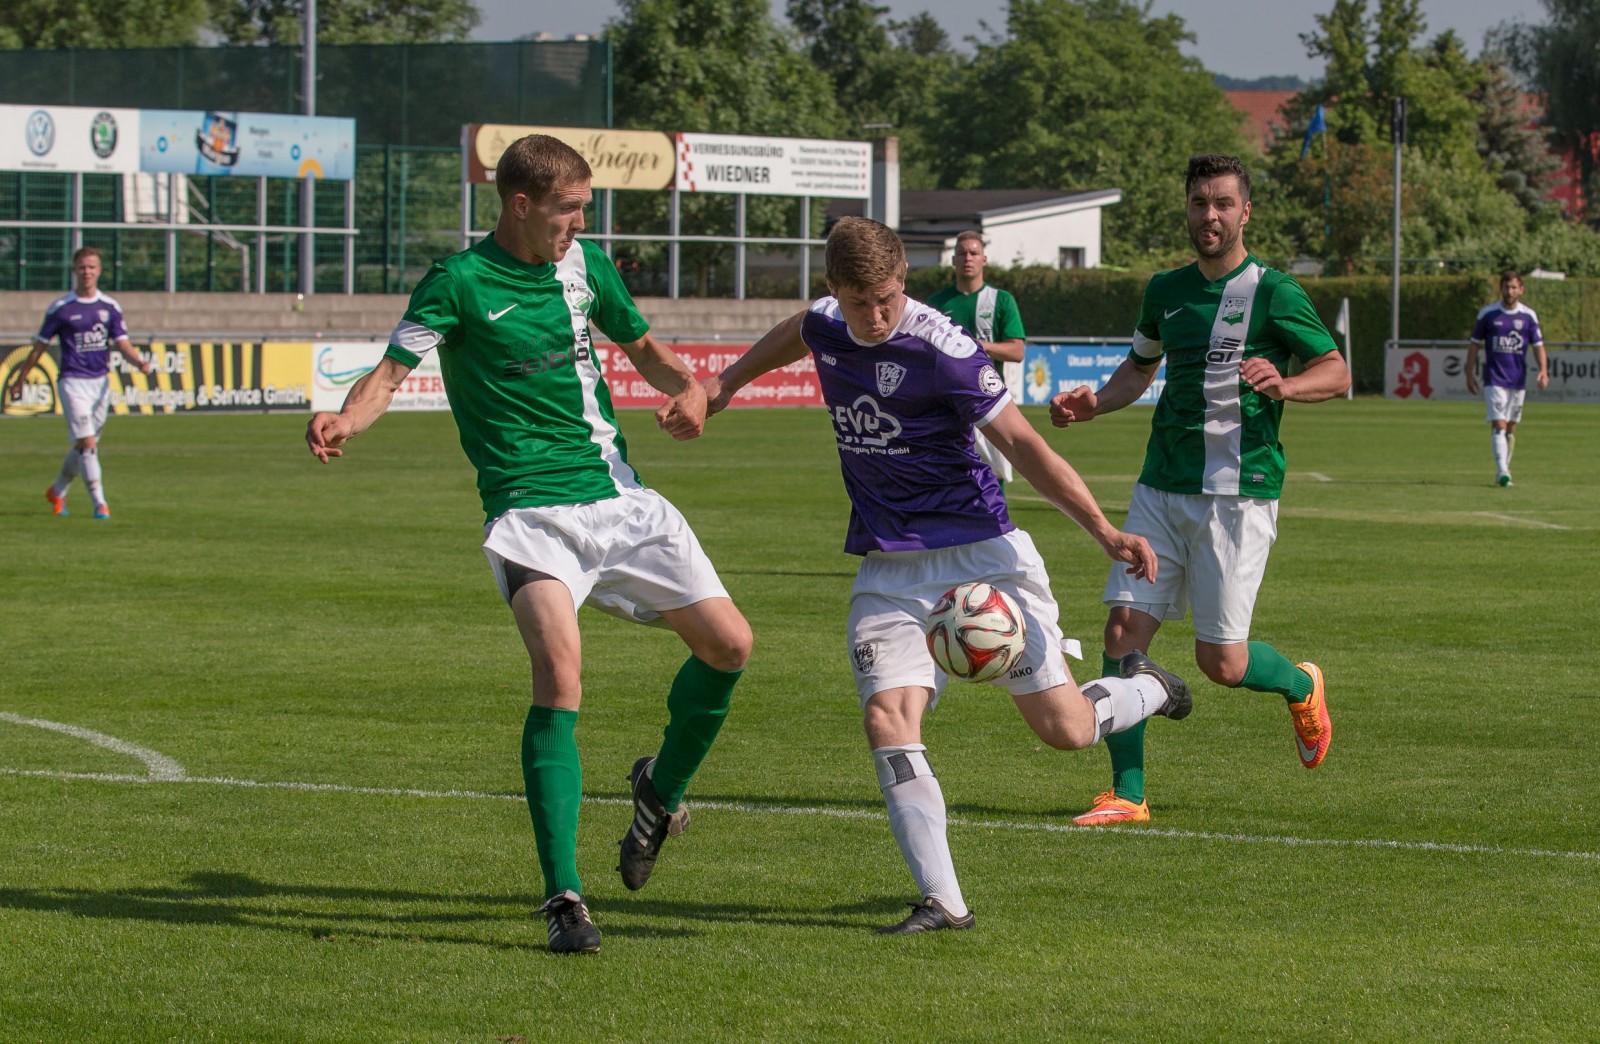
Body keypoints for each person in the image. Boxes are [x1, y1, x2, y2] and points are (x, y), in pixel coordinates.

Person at [304, 134, 752, 956]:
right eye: (569, 208)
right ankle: (564, 897)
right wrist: (345, 418)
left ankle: (661, 791)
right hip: (528, 512)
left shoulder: (587, 267)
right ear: (520, 204)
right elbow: (392, 372)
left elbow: (642, 348)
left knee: (731, 645)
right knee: (560, 674)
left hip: (617, 495)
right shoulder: (460, 282)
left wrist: (690, 388)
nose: (581, 222)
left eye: (584, 207)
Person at [703, 216, 1192, 935]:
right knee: (886, 719)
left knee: (1065, 729)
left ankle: (1153, 685)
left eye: (891, 298)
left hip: (983, 557)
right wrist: (724, 384)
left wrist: (1106, 531)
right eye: (862, 300)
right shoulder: (828, 322)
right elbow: (795, 331)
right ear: (836, 290)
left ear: (904, 283)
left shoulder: (944, 349)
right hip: (888, 569)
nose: (877, 314)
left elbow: (1023, 445)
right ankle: (945, 902)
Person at [1048, 154, 1350, 826]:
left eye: (1221, 204)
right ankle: (1128, 793)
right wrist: (1091, 404)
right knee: (1123, 629)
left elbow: (1336, 370)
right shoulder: (1166, 289)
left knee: (1223, 663)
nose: (1208, 216)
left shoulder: (1274, 293)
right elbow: (1138, 367)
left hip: (1238, 494)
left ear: (1245, 211)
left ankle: (1302, 685)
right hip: (1161, 485)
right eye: (1197, 203)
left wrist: (1288, 385)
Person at [5, 246, 153, 520]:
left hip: (100, 383)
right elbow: (38, 347)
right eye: (82, 267)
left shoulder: (109, 307)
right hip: (72, 381)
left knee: (86, 446)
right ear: (74, 270)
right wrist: (20, 379)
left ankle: (58, 491)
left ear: (99, 271)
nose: (87, 272)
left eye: (92, 267)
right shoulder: (61, 308)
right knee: (87, 443)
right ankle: (100, 503)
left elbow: (122, 343)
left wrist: (139, 363)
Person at [926, 231, 1026, 487]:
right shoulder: (937, 303)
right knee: (950, 479)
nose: (967, 258)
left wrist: (978, 347)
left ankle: (997, 527)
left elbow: (1016, 351)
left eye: (973, 253)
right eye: (961, 254)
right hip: (947, 403)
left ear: (984, 259)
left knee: (992, 479)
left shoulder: (1001, 300)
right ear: (953, 260)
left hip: (988, 401)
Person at [1466, 269, 1547, 488]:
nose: (1509, 291)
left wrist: (1543, 370)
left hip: (1518, 381)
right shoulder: (1488, 314)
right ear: (1500, 288)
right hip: (1494, 379)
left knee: (1511, 428)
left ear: (1521, 289)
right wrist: (1469, 372)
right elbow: (1474, 344)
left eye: (1513, 287)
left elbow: (1538, 346)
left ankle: (1504, 470)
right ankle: (1503, 470)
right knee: (1499, 424)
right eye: (1505, 287)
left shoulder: (1528, 316)